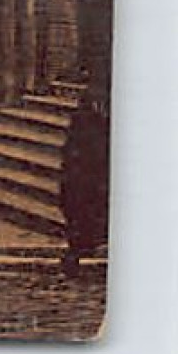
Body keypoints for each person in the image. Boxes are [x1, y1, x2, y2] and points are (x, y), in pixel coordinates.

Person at [59, 87, 110, 276]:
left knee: (82, 216)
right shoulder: (83, 122)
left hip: (86, 178)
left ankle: (78, 253)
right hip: (80, 178)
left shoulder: (93, 124)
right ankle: (77, 253)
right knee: (79, 215)